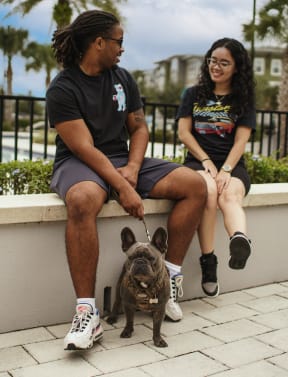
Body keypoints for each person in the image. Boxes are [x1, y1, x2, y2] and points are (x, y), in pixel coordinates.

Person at [46, 10, 207, 350]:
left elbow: (139, 127)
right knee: (81, 200)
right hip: (79, 162)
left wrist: (132, 169)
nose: (122, 49)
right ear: (99, 42)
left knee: (195, 185)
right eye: (118, 42)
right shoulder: (63, 87)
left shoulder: (123, 79)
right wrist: (122, 186)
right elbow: (83, 147)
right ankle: (87, 314)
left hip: (122, 160)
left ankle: (168, 280)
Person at [177, 38, 256, 298]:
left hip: (232, 165)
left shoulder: (242, 99)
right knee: (209, 193)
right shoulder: (193, 94)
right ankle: (209, 262)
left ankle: (239, 240)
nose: (216, 67)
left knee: (229, 195)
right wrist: (207, 162)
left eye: (224, 63)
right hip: (197, 163)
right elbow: (184, 133)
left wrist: (227, 169)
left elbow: (241, 140)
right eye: (213, 60)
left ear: (237, 67)